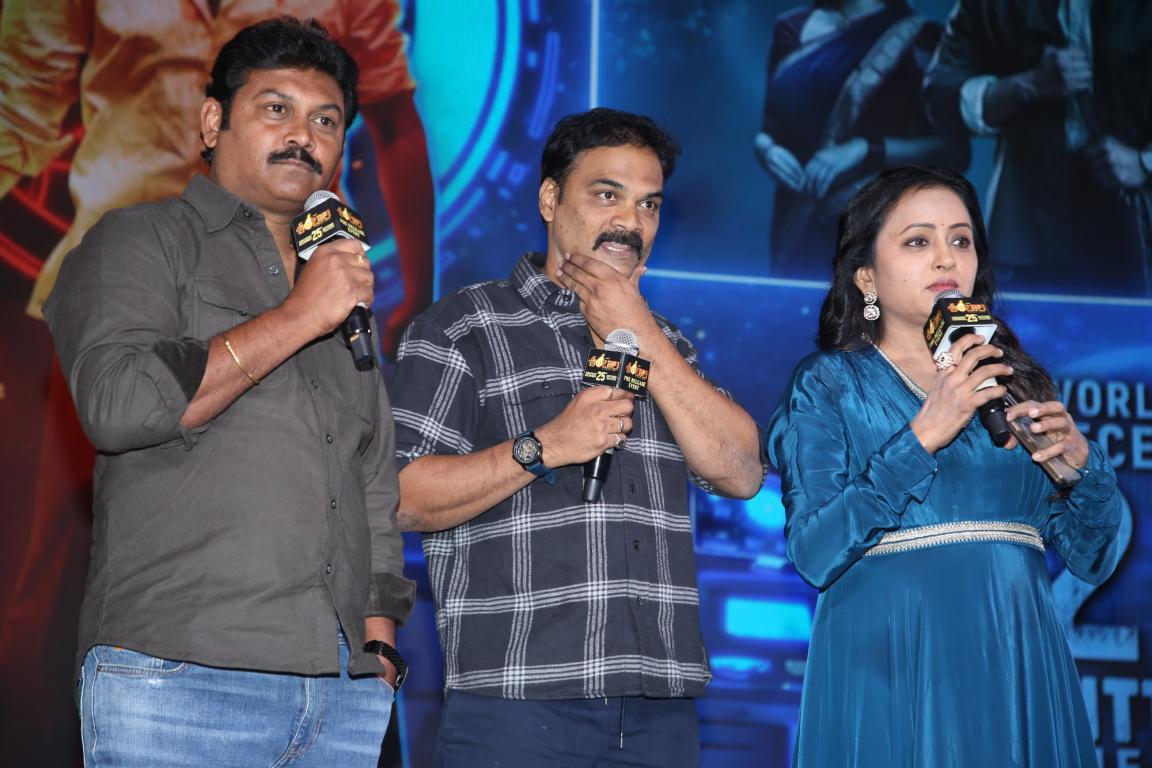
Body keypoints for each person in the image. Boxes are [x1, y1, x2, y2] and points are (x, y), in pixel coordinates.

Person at [0, 4, 433, 759]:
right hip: (180, 682)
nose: (304, 136)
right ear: (212, 122)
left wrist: (378, 648)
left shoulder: (340, 287)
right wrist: (299, 317)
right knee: (31, 600)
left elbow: (370, 477)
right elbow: (121, 405)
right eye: (276, 109)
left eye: (327, 121)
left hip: (340, 698)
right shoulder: (136, 242)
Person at [389, 108, 766, 767]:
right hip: (517, 705)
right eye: (607, 194)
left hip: (660, 711)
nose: (631, 222)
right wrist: (544, 447)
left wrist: (640, 332)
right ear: (549, 199)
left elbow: (741, 471)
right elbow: (398, 495)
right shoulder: (465, 326)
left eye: (649, 204)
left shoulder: (667, 345)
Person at [766, 165, 1121, 766]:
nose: (945, 258)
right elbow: (814, 552)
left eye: (961, 240)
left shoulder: (1015, 384)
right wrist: (923, 435)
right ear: (866, 276)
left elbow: (1092, 557)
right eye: (917, 241)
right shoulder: (828, 384)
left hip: (1017, 657)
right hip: (892, 663)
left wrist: (1084, 467)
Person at [923, 0, 1152, 295]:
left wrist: (1142, 162)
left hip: (1136, 223)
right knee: (1025, 320)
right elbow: (940, 100)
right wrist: (1028, 85)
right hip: (1030, 225)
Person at [753, 0, 968, 278]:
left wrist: (866, 150)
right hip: (794, 216)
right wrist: (766, 150)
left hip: (874, 222)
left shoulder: (920, 37)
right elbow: (770, 127)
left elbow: (954, 151)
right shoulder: (790, 28)